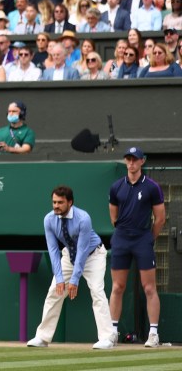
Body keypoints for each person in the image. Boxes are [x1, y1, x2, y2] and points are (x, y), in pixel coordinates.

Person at [26, 186, 115, 350]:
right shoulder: (49, 219)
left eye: (60, 202)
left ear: (70, 202)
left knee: (97, 290)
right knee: (54, 292)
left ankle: (107, 338)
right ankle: (42, 337)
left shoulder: (83, 218)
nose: (56, 206)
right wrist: (60, 278)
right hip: (68, 255)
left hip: (93, 255)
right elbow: (53, 250)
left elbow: (82, 251)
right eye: (54, 202)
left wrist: (74, 280)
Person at [108, 147, 165, 348]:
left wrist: (149, 238)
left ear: (142, 161)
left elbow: (160, 218)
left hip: (142, 239)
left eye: (135, 160)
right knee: (117, 286)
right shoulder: (116, 187)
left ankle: (153, 334)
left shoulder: (152, 187)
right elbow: (113, 216)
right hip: (122, 238)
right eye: (128, 159)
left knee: (149, 287)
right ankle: (113, 331)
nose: (131, 163)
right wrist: (123, 232)